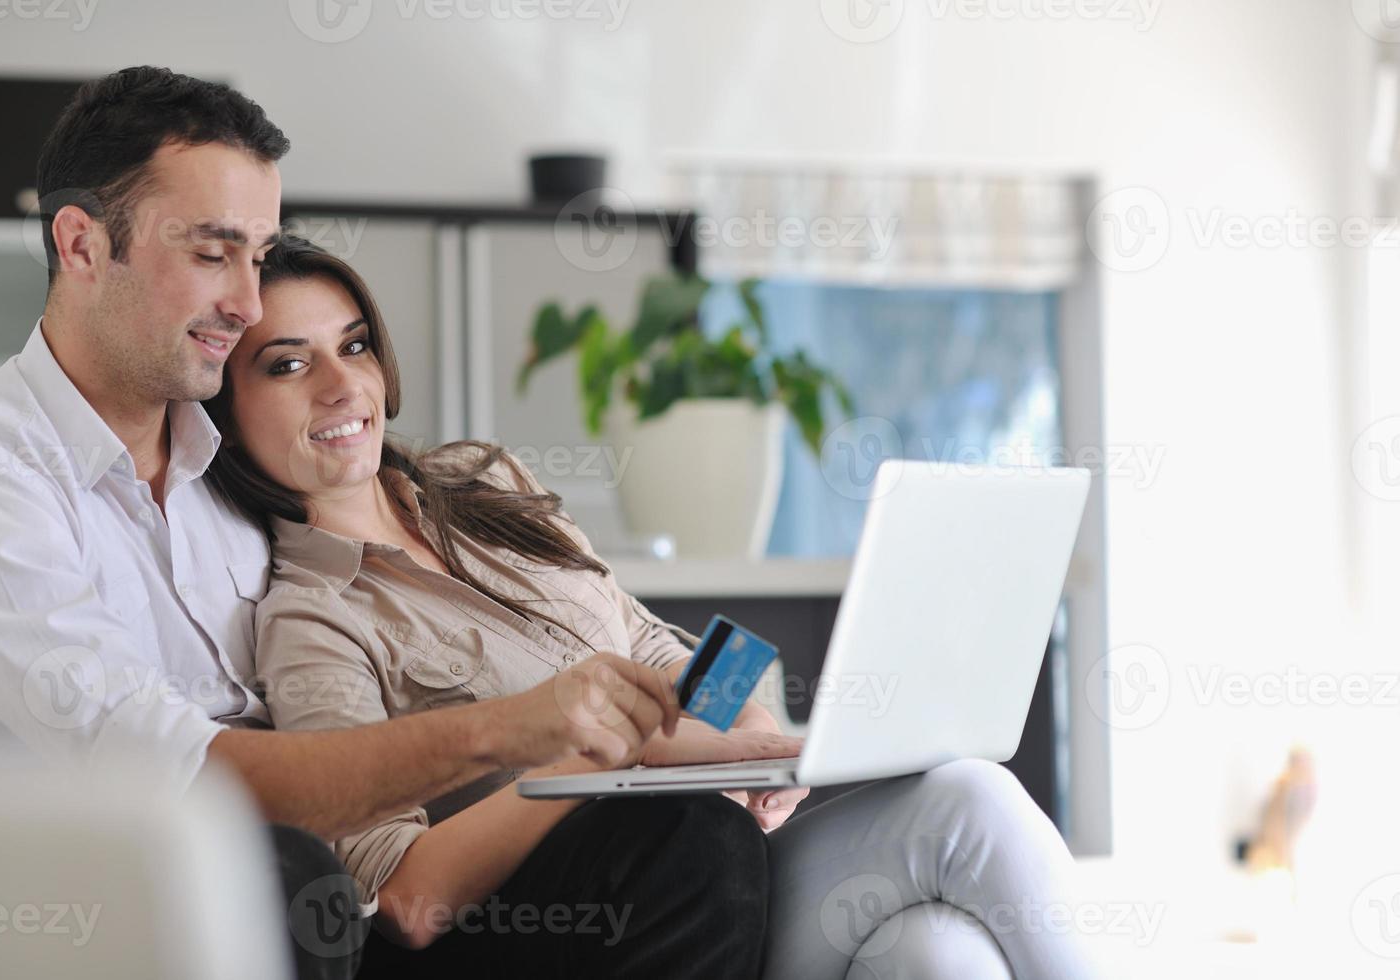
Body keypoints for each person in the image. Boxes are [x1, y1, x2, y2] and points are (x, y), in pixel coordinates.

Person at [0, 66, 768, 980]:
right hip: (107, 901)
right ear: (82, 244)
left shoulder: (241, 465)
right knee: (294, 871)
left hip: (315, 893)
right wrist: (529, 735)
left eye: (257, 255)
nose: (246, 304)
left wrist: (751, 734)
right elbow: (187, 778)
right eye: (213, 254)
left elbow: (649, 642)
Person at [204, 235, 1103, 980]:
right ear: (228, 412)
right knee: (970, 800)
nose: (338, 385)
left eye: (353, 345)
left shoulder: (486, 482)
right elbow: (400, 898)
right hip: (629, 912)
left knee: (937, 957)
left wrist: (747, 726)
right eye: (287, 365)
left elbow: (659, 642)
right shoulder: (311, 618)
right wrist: (592, 759)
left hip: (736, 847)